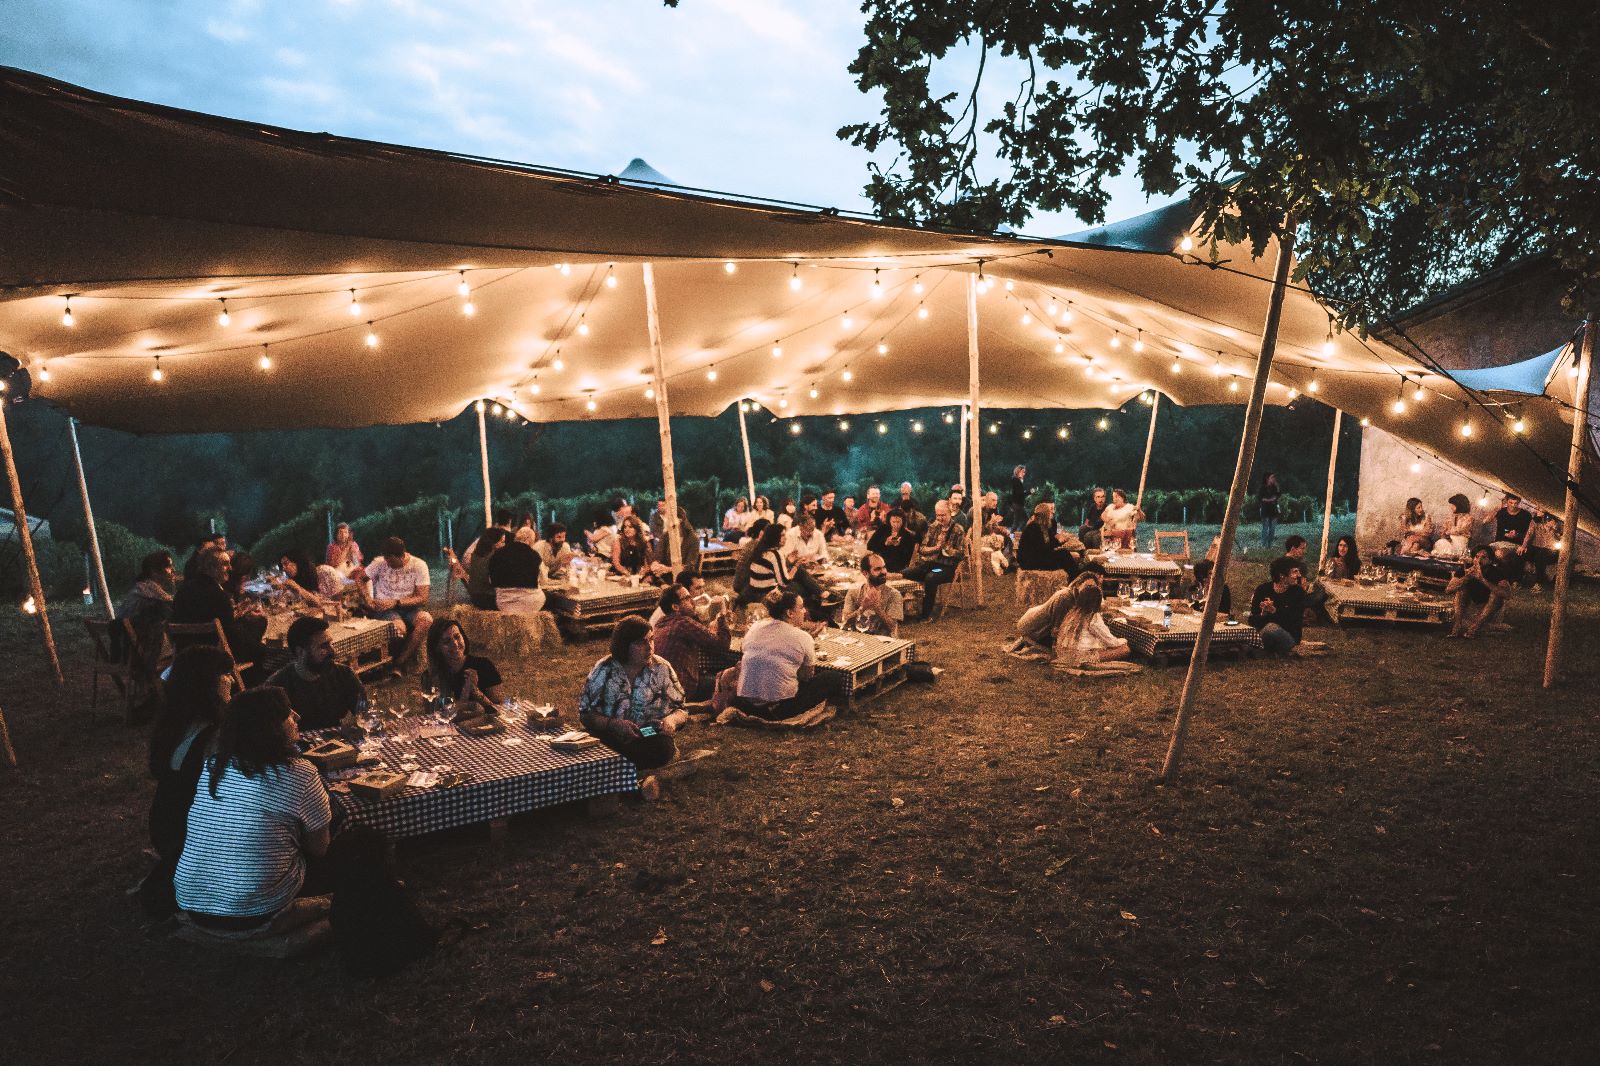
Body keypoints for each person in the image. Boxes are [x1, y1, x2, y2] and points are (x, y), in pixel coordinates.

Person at [173, 687, 334, 930]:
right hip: (255, 909)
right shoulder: (300, 773)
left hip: (193, 902)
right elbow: (320, 849)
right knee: (346, 851)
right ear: (270, 729)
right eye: (287, 714)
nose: (297, 716)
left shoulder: (214, 765)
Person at [139, 645, 234, 915]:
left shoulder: (172, 723)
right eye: (223, 675)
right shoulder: (215, 736)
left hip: (163, 825)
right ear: (206, 684)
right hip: (191, 834)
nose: (230, 680)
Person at [578, 615, 689, 802]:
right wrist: (614, 724)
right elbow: (586, 715)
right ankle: (636, 782)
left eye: (651, 640)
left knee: (662, 748)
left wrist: (670, 721)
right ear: (624, 646)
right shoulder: (604, 669)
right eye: (640, 642)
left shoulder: (662, 668)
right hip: (610, 734)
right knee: (591, 749)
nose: (649, 647)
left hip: (646, 733)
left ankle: (614, 777)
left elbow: (682, 710)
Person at [734, 589, 846, 720]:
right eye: (801, 607)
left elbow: (748, 649)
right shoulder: (802, 637)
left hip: (746, 703)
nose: (805, 611)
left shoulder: (755, 627)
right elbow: (806, 676)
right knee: (832, 677)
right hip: (779, 708)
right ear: (790, 613)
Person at [171, 547, 268, 680]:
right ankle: (249, 688)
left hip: (185, 655)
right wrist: (257, 643)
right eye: (225, 564)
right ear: (211, 568)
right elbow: (230, 635)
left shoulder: (183, 590)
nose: (230, 568)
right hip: (212, 655)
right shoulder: (218, 595)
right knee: (261, 650)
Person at [266, 616, 364, 731]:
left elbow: (365, 713)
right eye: (323, 646)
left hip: (337, 743)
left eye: (330, 644)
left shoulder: (344, 674)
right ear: (300, 652)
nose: (332, 651)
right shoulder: (278, 686)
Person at [116, 550, 177, 706]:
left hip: (127, 650)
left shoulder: (140, 587)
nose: (173, 570)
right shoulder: (149, 589)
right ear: (154, 572)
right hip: (142, 652)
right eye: (169, 566)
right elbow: (176, 606)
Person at [362, 536, 432, 671]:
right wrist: (367, 598)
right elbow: (360, 578)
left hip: (408, 607)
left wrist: (396, 602)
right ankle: (394, 662)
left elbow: (423, 598)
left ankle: (400, 661)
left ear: (400, 556)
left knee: (426, 620)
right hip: (385, 609)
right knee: (399, 629)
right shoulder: (380, 562)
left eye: (390, 560)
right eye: (386, 559)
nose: (387, 563)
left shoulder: (419, 565)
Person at [651, 582, 731, 699]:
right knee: (730, 681)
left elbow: (703, 635)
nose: (693, 602)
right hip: (682, 689)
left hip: (662, 690)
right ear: (675, 607)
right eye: (687, 599)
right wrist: (722, 616)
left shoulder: (661, 623)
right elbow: (722, 645)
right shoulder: (682, 623)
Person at [425, 619, 504, 718]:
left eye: (457, 637)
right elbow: (435, 715)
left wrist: (475, 691)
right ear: (437, 648)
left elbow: (498, 709)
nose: (454, 643)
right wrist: (466, 692)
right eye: (446, 641)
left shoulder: (484, 666)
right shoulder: (431, 675)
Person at [903, 499, 967, 620]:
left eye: (943, 515)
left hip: (946, 567)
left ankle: (926, 615)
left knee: (931, 577)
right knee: (906, 573)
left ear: (950, 513)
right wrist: (936, 548)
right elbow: (922, 549)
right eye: (938, 515)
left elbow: (962, 554)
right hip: (929, 564)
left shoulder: (958, 529)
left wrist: (950, 551)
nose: (940, 518)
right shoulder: (933, 527)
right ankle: (906, 609)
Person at [1052, 581, 1130, 665]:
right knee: (1124, 649)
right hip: (1080, 658)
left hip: (1063, 654)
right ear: (1098, 601)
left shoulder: (1072, 613)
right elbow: (1111, 642)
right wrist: (1123, 640)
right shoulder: (1093, 617)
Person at [1446, 545, 1515, 638]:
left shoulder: (1497, 572)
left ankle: (1474, 628)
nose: (1479, 560)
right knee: (1461, 589)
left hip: (1490, 612)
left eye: (1484, 557)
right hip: (1472, 609)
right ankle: (1458, 626)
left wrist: (1482, 579)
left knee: (1495, 594)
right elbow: (1449, 589)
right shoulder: (1466, 569)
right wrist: (1466, 577)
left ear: (1490, 561)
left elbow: (1507, 595)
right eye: (1477, 557)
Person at [1248, 556, 1308, 655]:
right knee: (1252, 632)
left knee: (1271, 628)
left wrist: (1274, 611)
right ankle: (1261, 650)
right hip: (1263, 634)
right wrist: (1263, 614)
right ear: (1282, 575)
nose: (1299, 575)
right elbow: (1252, 620)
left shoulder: (1298, 592)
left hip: (1289, 637)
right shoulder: (1262, 589)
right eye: (1295, 572)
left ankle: (1254, 651)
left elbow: (1293, 622)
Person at [840, 553, 903, 636]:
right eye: (877, 569)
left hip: (884, 642)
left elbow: (892, 627)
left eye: (884, 567)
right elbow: (845, 621)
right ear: (865, 573)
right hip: (857, 639)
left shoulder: (894, 594)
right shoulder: (853, 592)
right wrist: (862, 608)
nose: (884, 572)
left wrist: (877, 608)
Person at [444, 527, 506, 610]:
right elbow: (494, 582)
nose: (504, 544)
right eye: (502, 542)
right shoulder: (493, 558)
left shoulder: (475, 556)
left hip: (475, 597)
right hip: (489, 600)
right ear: (493, 543)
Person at [1017, 502, 1082, 574]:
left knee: (1063, 553)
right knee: (1063, 555)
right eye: (1050, 513)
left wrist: (1062, 540)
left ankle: (1076, 574)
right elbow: (1042, 549)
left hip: (1038, 556)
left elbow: (1050, 544)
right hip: (1029, 561)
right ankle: (1076, 575)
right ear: (1045, 515)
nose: (1052, 514)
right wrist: (1058, 541)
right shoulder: (1034, 527)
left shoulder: (1044, 527)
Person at [490, 536, 545, 614]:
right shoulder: (534, 555)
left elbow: (491, 581)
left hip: (504, 604)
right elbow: (543, 580)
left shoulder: (497, 554)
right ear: (528, 541)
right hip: (532, 603)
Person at [867, 509, 919, 573]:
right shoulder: (883, 529)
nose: (896, 525)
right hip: (880, 563)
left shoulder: (907, 535)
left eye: (898, 522)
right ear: (889, 521)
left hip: (898, 567)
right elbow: (870, 546)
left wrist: (899, 546)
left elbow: (908, 558)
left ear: (903, 522)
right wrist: (885, 543)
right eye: (893, 522)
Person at [612, 515, 662, 582]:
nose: (627, 529)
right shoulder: (618, 541)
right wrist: (626, 573)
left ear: (637, 528)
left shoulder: (645, 542)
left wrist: (643, 572)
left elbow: (648, 563)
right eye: (625, 527)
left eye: (630, 527)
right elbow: (616, 562)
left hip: (640, 576)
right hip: (622, 575)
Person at [1526, 508, 1559, 589]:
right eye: (1547, 519)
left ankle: (1538, 582)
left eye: (1551, 519)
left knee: (1541, 555)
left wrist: (1555, 530)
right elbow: (1529, 534)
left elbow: (1560, 539)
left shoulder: (1556, 528)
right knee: (1522, 553)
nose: (1549, 521)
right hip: (1537, 549)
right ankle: (1516, 580)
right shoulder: (1537, 524)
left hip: (1550, 551)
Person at [1257, 473, 1283, 550]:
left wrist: (1277, 487)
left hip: (1274, 510)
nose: (1274, 479)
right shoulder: (1262, 488)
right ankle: (1263, 545)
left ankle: (1269, 545)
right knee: (1265, 527)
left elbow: (1278, 496)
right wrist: (1269, 500)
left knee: (1272, 528)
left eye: (1274, 478)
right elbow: (1260, 498)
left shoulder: (1274, 487)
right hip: (1265, 510)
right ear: (1267, 478)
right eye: (1272, 477)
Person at [1007, 465, 1029, 531]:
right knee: (1024, 520)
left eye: (1024, 472)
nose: (1024, 474)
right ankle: (1018, 534)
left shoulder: (1017, 480)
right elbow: (1019, 494)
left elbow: (1019, 493)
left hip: (1017, 503)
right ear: (1018, 471)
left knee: (1017, 521)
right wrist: (1029, 492)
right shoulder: (1016, 480)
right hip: (1018, 504)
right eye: (1022, 472)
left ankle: (1014, 533)